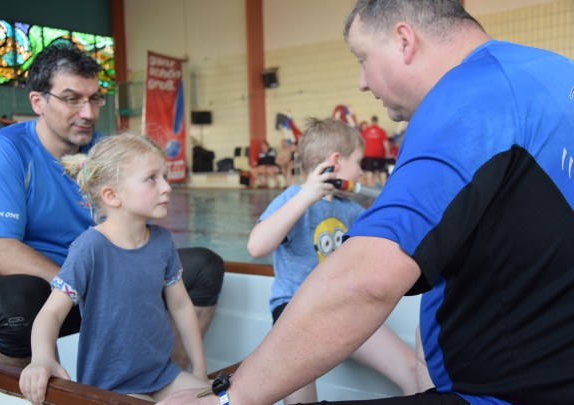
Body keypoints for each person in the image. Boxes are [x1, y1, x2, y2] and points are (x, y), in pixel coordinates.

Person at [159, 0, 574, 404]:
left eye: (362, 58)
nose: (361, 82)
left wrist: (230, 397)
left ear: (404, 41)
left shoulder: (467, 99)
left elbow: (367, 281)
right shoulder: (555, 72)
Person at [0, 42, 224, 368]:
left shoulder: (106, 150)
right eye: (72, 99)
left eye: (94, 99)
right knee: (19, 303)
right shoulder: (4, 150)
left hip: (102, 280)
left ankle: (162, 378)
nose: (88, 113)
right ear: (38, 102)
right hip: (31, 290)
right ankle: (5, 389)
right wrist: (88, 287)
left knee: (204, 267)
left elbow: (136, 230)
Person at [19, 133, 209, 404]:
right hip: (111, 387)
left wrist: (200, 370)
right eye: (152, 178)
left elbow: (180, 305)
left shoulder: (162, 241)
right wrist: (42, 358)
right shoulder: (90, 247)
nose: (167, 187)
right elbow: (51, 312)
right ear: (112, 195)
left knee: (218, 398)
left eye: (165, 177)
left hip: (163, 375)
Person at [247, 118, 418, 403]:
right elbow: (256, 247)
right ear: (336, 162)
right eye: (359, 162)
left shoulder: (350, 209)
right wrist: (307, 196)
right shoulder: (293, 198)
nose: (361, 172)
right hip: (295, 311)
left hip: (342, 306)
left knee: (413, 371)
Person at [360, 115, 389, 187]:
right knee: (382, 171)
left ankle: (370, 188)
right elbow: (385, 143)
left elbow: (363, 143)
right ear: (377, 121)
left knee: (370, 171)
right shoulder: (381, 130)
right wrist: (388, 153)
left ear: (371, 121)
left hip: (369, 154)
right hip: (380, 155)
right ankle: (384, 187)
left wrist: (362, 152)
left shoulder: (366, 131)